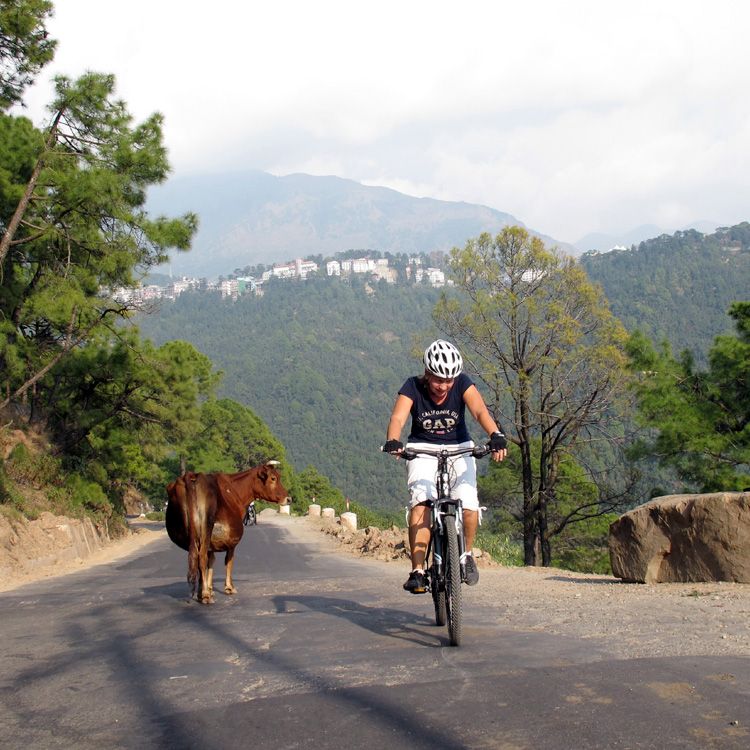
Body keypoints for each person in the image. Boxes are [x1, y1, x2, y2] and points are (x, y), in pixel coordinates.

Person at [383, 339, 508, 593]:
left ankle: (466, 556)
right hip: (422, 449)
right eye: (439, 379)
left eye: (449, 380)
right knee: (422, 502)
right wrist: (393, 440)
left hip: (459, 447)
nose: (444, 386)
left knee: (469, 501)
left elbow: (479, 411)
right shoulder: (412, 386)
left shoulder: (462, 382)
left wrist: (495, 434)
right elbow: (398, 416)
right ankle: (418, 571)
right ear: (427, 374)